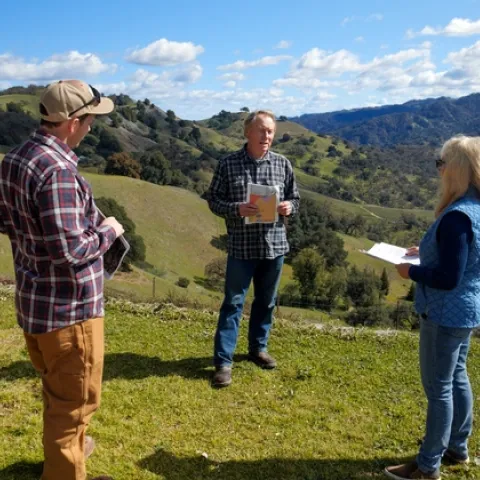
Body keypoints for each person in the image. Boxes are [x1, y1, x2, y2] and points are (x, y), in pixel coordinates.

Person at [0, 80, 124, 480]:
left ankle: (68, 453)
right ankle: (66, 465)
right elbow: (70, 251)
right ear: (72, 122)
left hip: (35, 304)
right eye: (89, 120)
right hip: (70, 314)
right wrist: (108, 230)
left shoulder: (15, 159)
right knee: (73, 407)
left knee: (61, 396)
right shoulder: (57, 172)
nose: (91, 127)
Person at [386, 135, 480, 480]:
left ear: (456, 169)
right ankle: (457, 447)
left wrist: (410, 271)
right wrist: (425, 251)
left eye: (442, 164)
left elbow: (448, 277)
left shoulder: (456, 217)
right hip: (467, 310)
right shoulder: (476, 209)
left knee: (439, 387)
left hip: (444, 311)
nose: (438, 170)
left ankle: (427, 466)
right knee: (457, 378)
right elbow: (466, 261)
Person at [206, 109, 300, 388]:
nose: (266, 136)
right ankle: (223, 362)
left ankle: (258, 349)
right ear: (247, 132)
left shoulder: (283, 165)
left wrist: (288, 207)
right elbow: (213, 200)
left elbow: (296, 198)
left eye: (270, 131)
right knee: (233, 304)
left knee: (266, 302)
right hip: (242, 248)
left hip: (275, 247)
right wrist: (237, 209)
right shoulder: (228, 164)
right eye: (261, 130)